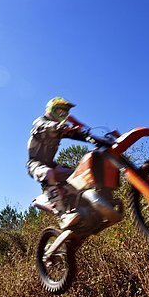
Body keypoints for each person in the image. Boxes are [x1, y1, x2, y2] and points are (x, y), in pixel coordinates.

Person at [27, 97, 86, 229]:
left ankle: (78, 205)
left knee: (77, 174)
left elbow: (75, 134)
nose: (62, 115)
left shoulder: (60, 128)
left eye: (64, 113)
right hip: (35, 164)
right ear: (50, 110)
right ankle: (62, 216)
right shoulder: (41, 123)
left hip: (51, 163)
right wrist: (58, 126)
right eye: (59, 111)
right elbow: (44, 126)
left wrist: (82, 133)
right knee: (48, 173)